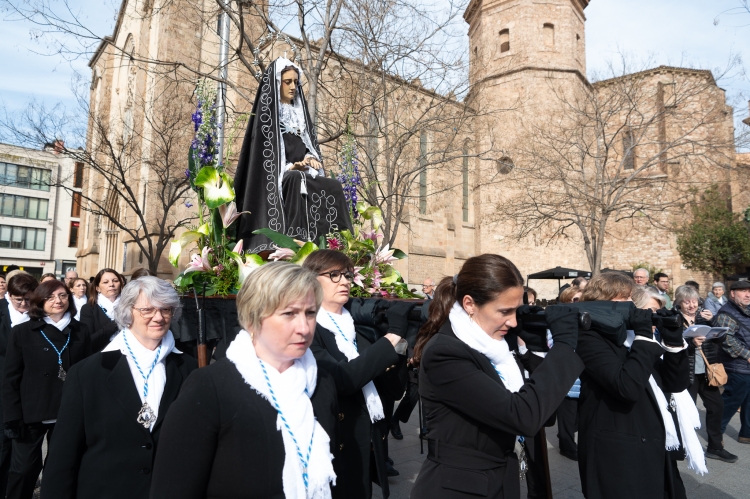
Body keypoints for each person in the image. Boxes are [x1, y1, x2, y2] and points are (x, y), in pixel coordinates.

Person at [150, 263, 337, 499]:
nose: (304, 327)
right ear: (253, 319)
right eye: (289, 313)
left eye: (310, 313)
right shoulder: (209, 387)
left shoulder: (323, 381)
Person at [410, 254, 584, 499]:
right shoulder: (446, 353)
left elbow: (543, 410)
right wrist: (564, 348)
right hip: (459, 488)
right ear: (469, 304)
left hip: (497, 480)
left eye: (517, 310)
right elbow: (522, 416)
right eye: (505, 311)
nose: (513, 321)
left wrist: (527, 343)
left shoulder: (493, 345)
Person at [41, 277, 196, 499]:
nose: (159, 317)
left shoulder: (190, 369)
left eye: (166, 309)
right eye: (147, 310)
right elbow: (63, 456)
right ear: (127, 311)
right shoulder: (87, 373)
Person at [303, 250, 409, 499]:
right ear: (310, 279)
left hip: (366, 442)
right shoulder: (308, 328)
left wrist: (401, 346)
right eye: (334, 274)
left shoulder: (362, 327)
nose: (345, 281)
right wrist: (390, 340)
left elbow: (394, 390)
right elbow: (342, 379)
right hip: (334, 442)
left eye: (348, 275)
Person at [576, 272, 693, 499]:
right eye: (625, 300)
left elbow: (675, 384)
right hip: (620, 453)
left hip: (655, 444)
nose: (632, 307)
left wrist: (674, 342)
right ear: (603, 304)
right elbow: (626, 387)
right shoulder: (589, 338)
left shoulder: (634, 337)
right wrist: (643, 336)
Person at [234, 58, 353, 254]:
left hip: (301, 172)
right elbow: (265, 160)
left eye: (295, 82)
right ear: (277, 83)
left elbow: (306, 144)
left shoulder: (298, 114)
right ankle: (295, 238)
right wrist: (289, 167)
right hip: (278, 178)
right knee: (296, 178)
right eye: (287, 81)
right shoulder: (267, 117)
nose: (292, 87)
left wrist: (310, 158)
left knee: (335, 185)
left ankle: (337, 243)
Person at [2, 279, 91, 499]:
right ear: (39, 301)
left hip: (67, 409)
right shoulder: (23, 331)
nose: (57, 301)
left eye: (62, 295)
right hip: (30, 410)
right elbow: (11, 378)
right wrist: (12, 417)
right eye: (50, 297)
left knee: (60, 469)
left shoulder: (80, 330)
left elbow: (88, 373)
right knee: (23, 470)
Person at [669, 285, 737, 463]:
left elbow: (721, 338)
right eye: (687, 302)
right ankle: (683, 446)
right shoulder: (673, 318)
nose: (692, 306)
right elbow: (669, 345)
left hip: (707, 372)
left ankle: (715, 447)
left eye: (694, 301)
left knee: (717, 407)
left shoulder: (704, 317)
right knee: (686, 412)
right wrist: (691, 343)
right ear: (679, 302)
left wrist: (713, 321)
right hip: (686, 373)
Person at [0, 274, 38, 496]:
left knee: (24, 456)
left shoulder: (39, 317)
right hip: (3, 389)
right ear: (8, 296)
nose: (24, 304)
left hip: (28, 392)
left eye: (28, 299)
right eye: (18, 300)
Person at [715, 280, 750, 444]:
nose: (748, 294)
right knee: (730, 402)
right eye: (743, 291)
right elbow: (726, 340)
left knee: (749, 402)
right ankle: (716, 434)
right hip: (737, 366)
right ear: (733, 293)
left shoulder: (746, 310)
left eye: (749, 291)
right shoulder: (726, 313)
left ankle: (746, 433)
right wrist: (747, 355)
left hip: (747, 366)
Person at [79, 268, 124, 351]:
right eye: (105, 282)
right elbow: (88, 340)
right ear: (97, 288)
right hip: (99, 356)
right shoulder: (89, 309)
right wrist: (116, 323)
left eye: (115, 281)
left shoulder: (130, 306)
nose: (111, 284)